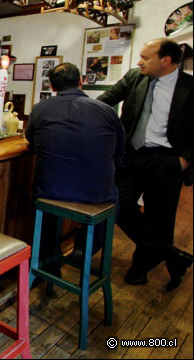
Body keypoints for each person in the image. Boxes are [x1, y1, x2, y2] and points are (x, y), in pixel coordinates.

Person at [98, 39, 193, 291]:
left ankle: (140, 268)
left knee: (160, 218)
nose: (139, 61)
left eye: (145, 57)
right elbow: (102, 103)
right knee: (119, 205)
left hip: (167, 161)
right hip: (130, 156)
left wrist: (184, 161)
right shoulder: (134, 78)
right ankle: (174, 257)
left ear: (167, 60)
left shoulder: (190, 87)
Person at [26, 63, 126, 263]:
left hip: (51, 191)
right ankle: (84, 249)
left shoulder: (40, 109)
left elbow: (31, 140)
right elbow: (119, 153)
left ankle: (49, 260)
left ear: (52, 87)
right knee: (114, 203)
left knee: (46, 197)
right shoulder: (107, 111)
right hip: (97, 193)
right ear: (81, 81)